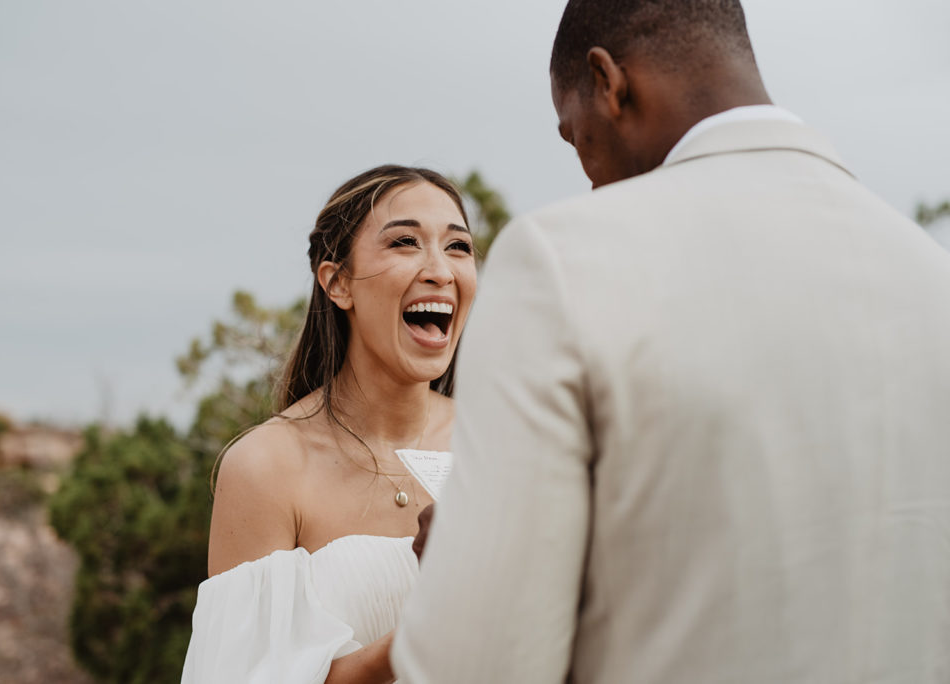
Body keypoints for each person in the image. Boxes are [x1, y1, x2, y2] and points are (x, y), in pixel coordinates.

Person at [393, 1, 950, 682]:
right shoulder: (931, 277)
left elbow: (474, 667)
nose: (588, 173)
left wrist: (459, 564)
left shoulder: (561, 263)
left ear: (608, 83)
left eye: (576, 138)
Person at [181, 165, 477, 684]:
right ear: (338, 283)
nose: (441, 270)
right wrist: (424, 630)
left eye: (458, 247)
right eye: (406, 242)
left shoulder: (500, 443)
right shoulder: (265, 467)